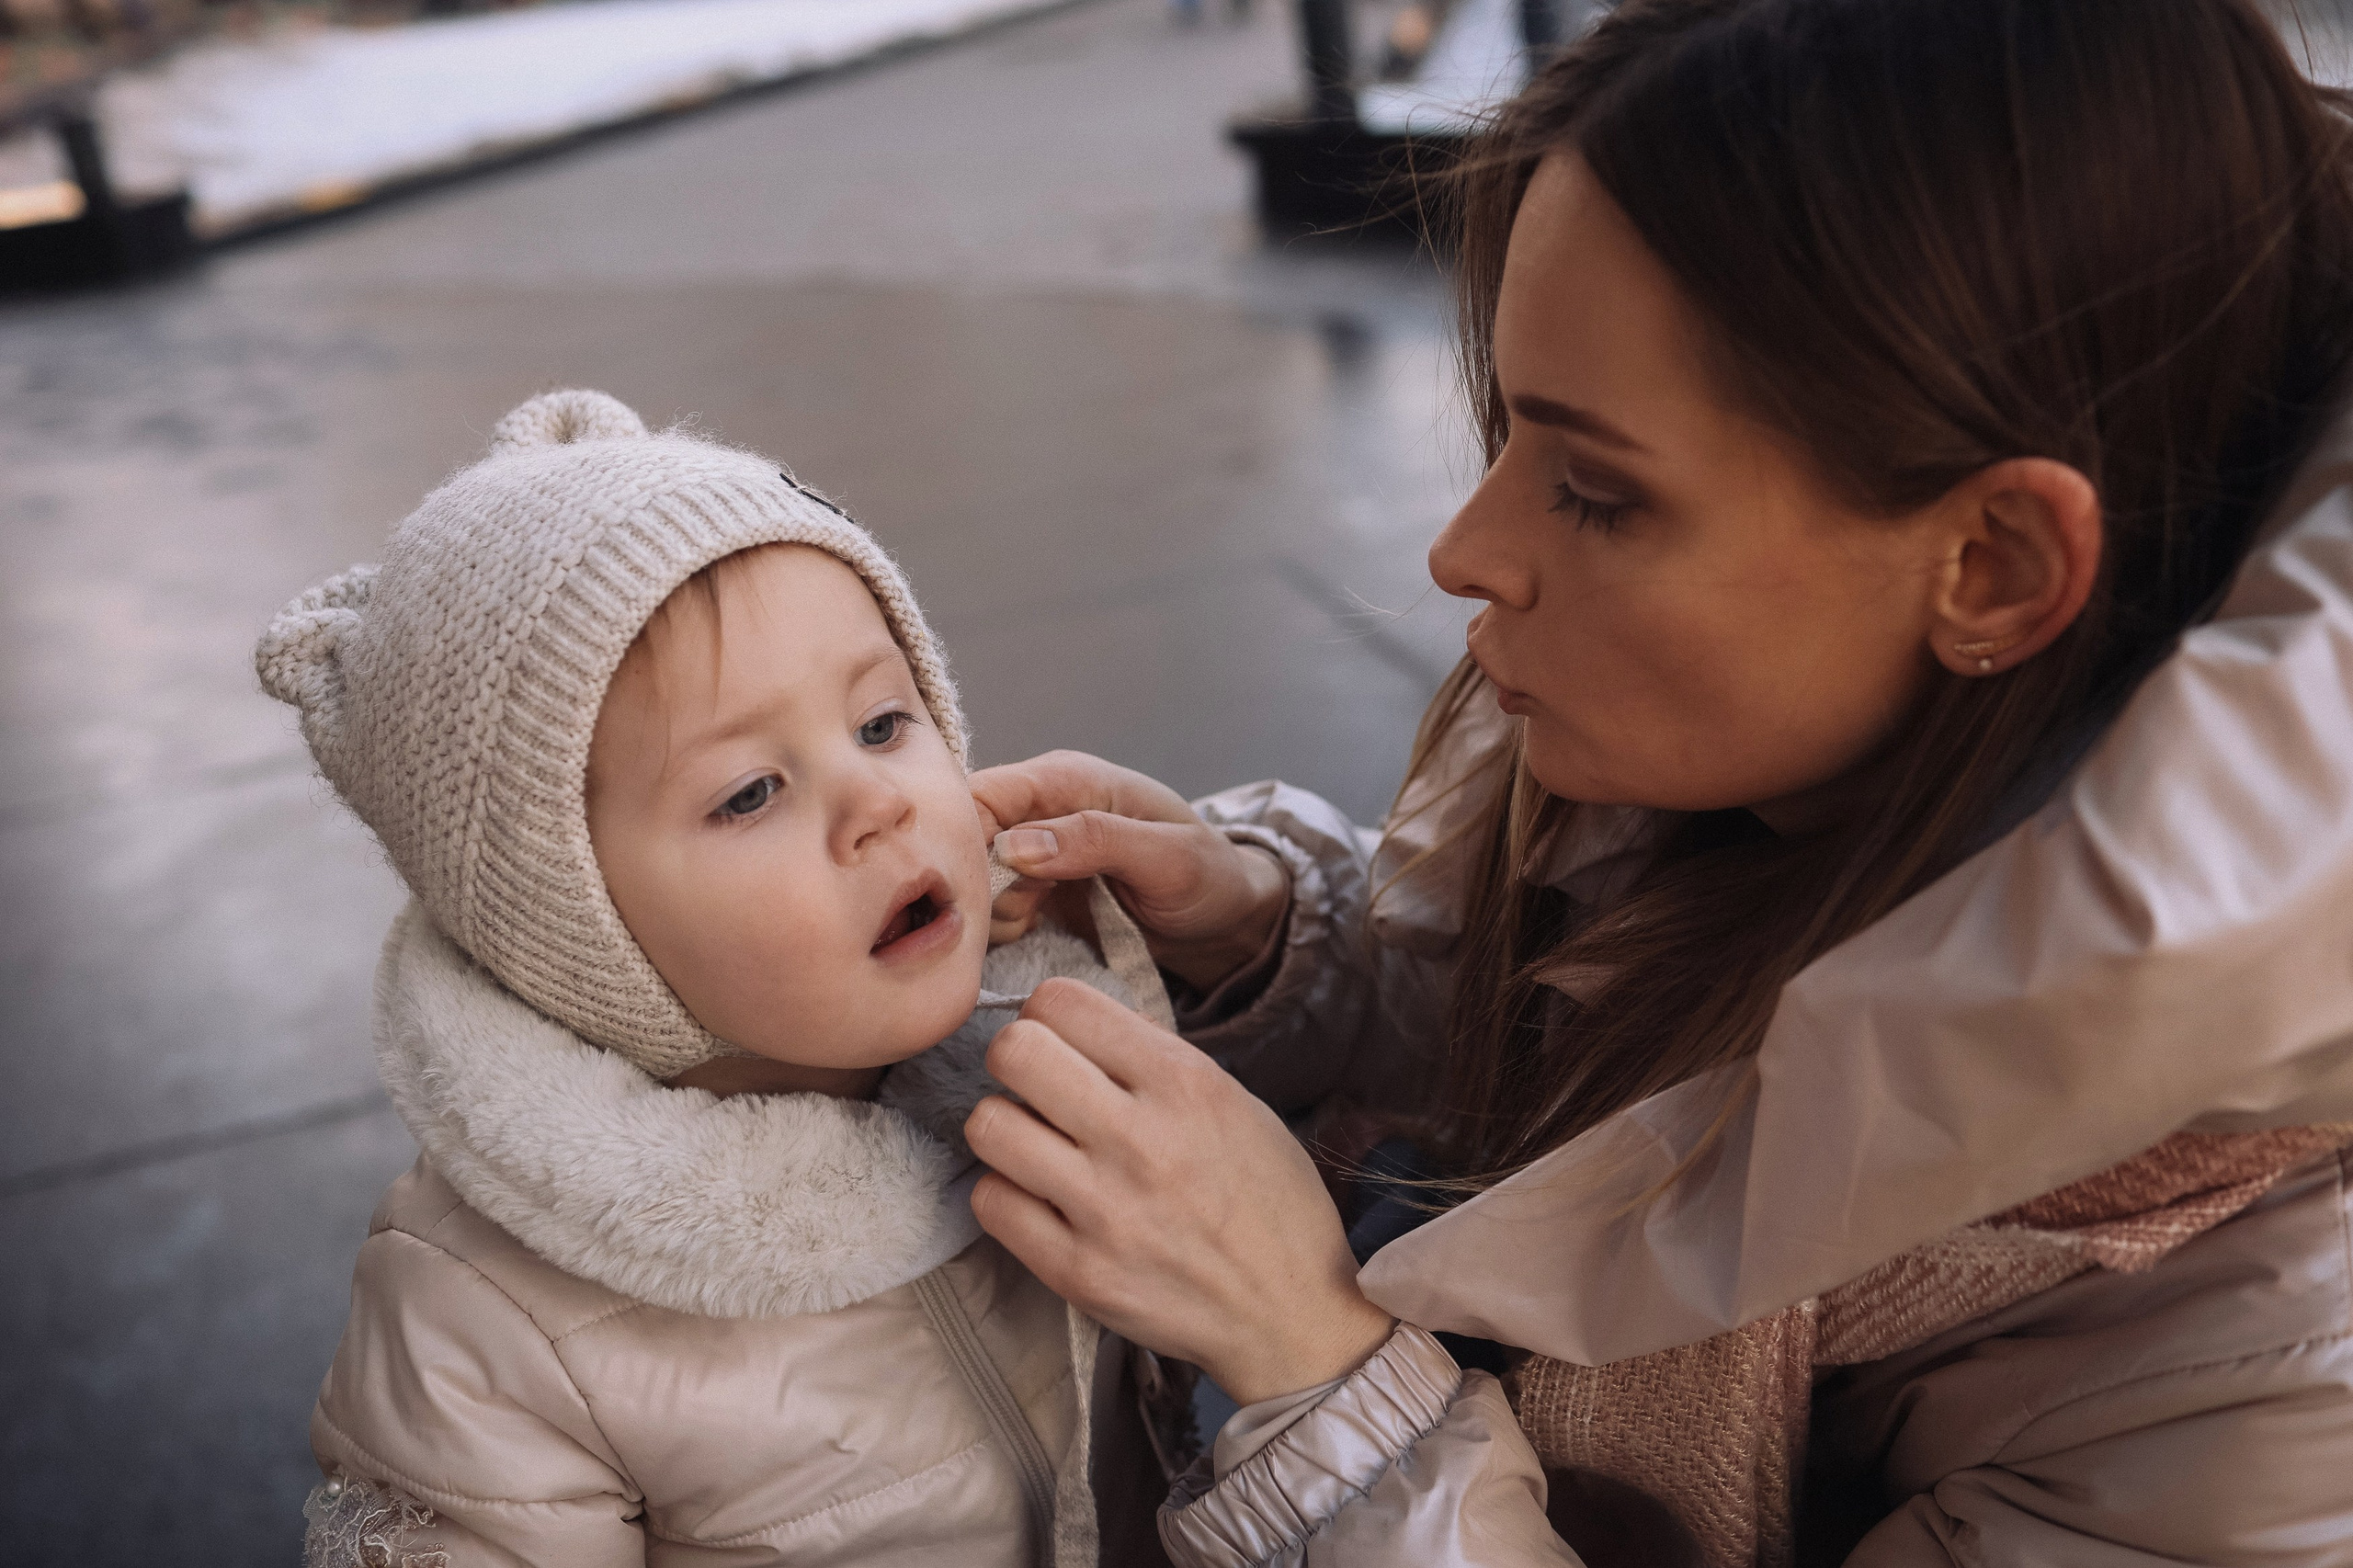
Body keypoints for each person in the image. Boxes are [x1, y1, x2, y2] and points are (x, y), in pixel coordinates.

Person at [961, 1, 2353, 1562]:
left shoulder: (2274, 1376)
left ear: (1994, 565)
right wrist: (1286, 937)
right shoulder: (1759, 786)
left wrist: (1316, 1381)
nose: (1465, 552)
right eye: (1506, 430)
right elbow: (1628, 1075)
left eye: (1598, 492)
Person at [256, 389, 1173, 1568]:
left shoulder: (1063, 1039)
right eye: (749, 791)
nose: (878, 802)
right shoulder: (480, 1332)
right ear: (567, 923)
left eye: (885, 721)